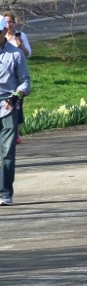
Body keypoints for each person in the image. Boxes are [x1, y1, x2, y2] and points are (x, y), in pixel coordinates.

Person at [0, 23, 31, 206]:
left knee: (7, 153)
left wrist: (15, 96)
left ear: (4, 31)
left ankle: (5, 193)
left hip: (8, 109)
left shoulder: (15, 54)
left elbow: (25, 83)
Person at [2, 13, 31, 145]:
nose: (9, 24)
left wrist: (14, 96)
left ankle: (16, 133)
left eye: (10, 22)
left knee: (7, 152)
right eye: (7, 22)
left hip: (11, 93)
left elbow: (28, 54)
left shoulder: (19, 39)